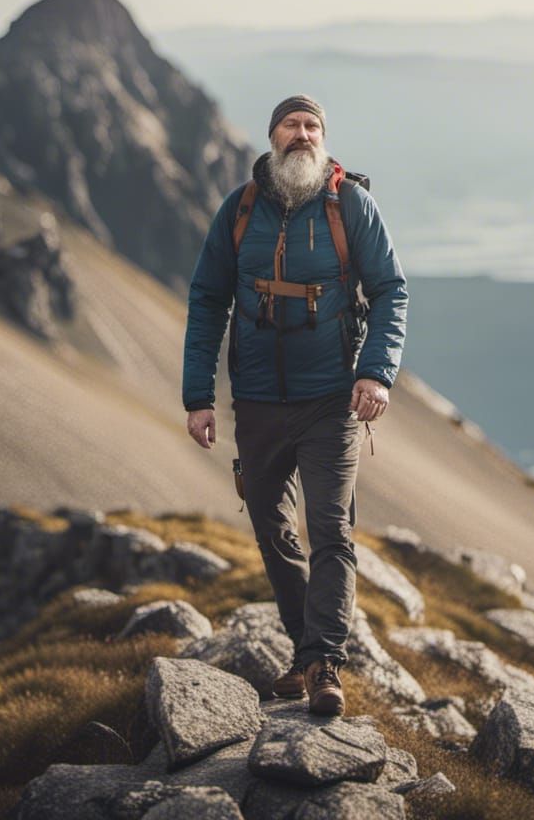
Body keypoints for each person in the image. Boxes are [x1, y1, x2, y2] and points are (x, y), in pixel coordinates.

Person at [181, 94, 407, 715]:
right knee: (270, 528)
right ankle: (307, 652)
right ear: (272, 137)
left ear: (324, 139)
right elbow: (207, 301)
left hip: (331, 399)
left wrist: (376, 374)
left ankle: (326, 663)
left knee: (331, 530)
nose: (303, 135)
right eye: (292, 125)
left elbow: (391, 290)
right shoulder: (240, 208)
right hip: (254, 401)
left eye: (313, 126)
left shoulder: (349, 205)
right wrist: (198, 397)